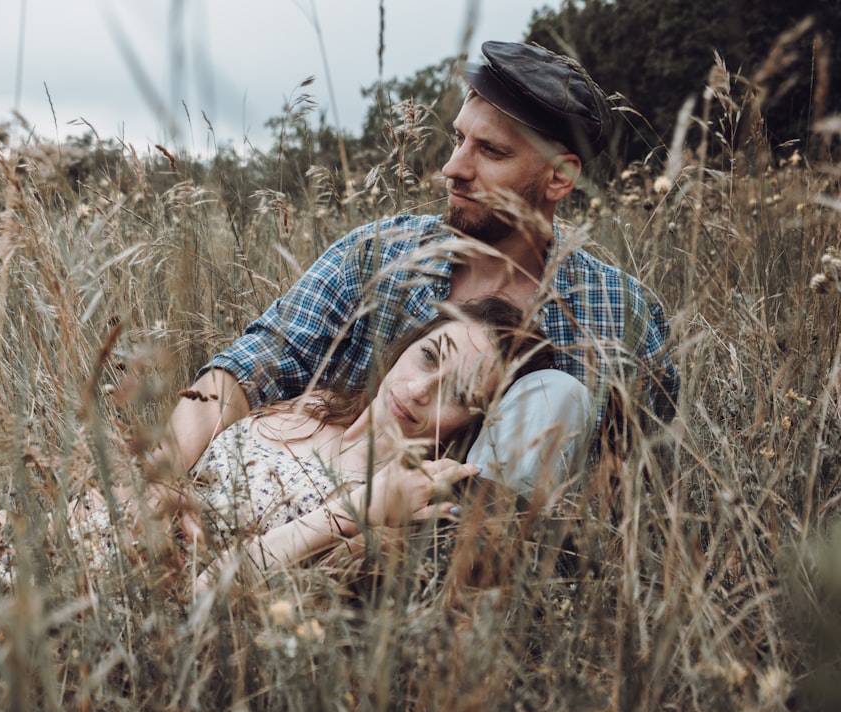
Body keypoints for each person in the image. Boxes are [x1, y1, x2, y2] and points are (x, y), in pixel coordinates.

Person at [164, 41, 677, 519]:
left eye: (491, 152)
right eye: (459, 139)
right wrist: (163, 479)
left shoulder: (616, 313)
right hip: (299, 521)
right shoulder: (378, 253)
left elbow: (640, 494)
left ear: (560, 176)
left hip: (478, 576)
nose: (453, 168)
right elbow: (249, 367)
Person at [187, 297, 565, 592]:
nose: (419, 390)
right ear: (407, 346)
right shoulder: (315, 404)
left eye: (456, 394)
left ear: (473, 424)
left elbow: (209, 589)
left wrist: (360, 508)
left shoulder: (399, 509)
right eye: (429, 357)